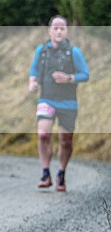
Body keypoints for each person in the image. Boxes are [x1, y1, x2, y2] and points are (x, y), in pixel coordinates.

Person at [28, 15, 89, 192]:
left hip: (68, 102)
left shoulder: (73, 52)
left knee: (65, 141)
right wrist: (32, 81)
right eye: (55, 28)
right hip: (46, 98)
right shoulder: (42, 50)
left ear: (66, 31)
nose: (59, 31)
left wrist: (69, 78)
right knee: (43, 135)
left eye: (62, 28)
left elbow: (85, 74)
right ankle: (45, 173)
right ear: (50, 31)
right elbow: (34, 69)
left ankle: (61, 173)